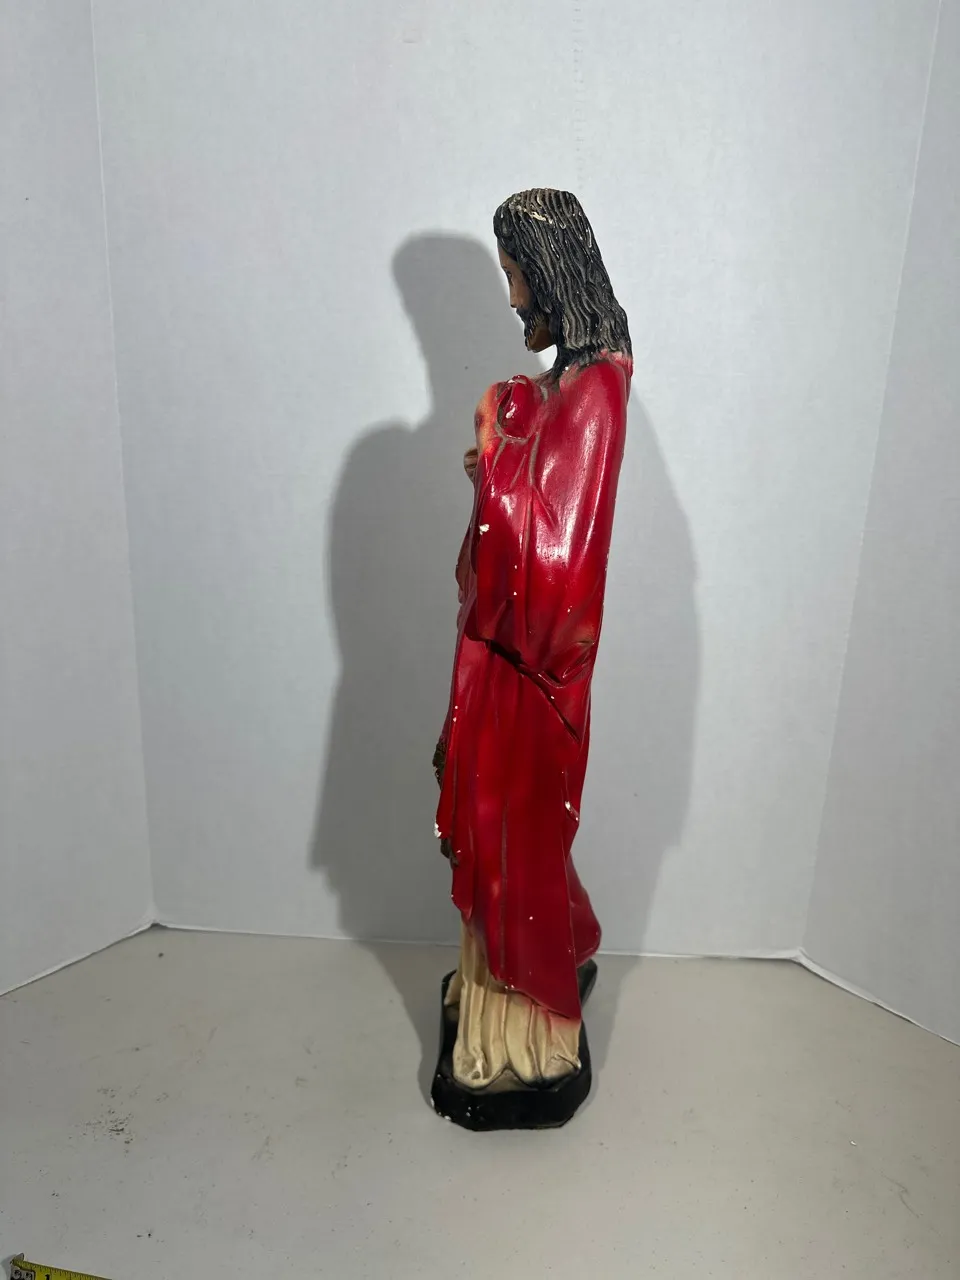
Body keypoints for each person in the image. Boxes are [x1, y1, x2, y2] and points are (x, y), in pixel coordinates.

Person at [434, 189, 632, 1092]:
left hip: (533, 674)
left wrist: (496, 434)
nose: (512, 297)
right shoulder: (561, 387)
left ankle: (527, 1029)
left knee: (514, 838)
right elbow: (524, 498)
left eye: (516, 275)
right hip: (502, 664)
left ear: (553, 274)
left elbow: (558, 570)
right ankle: (501, 992)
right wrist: (504, 451)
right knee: (501, 837)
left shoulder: (597, 392)